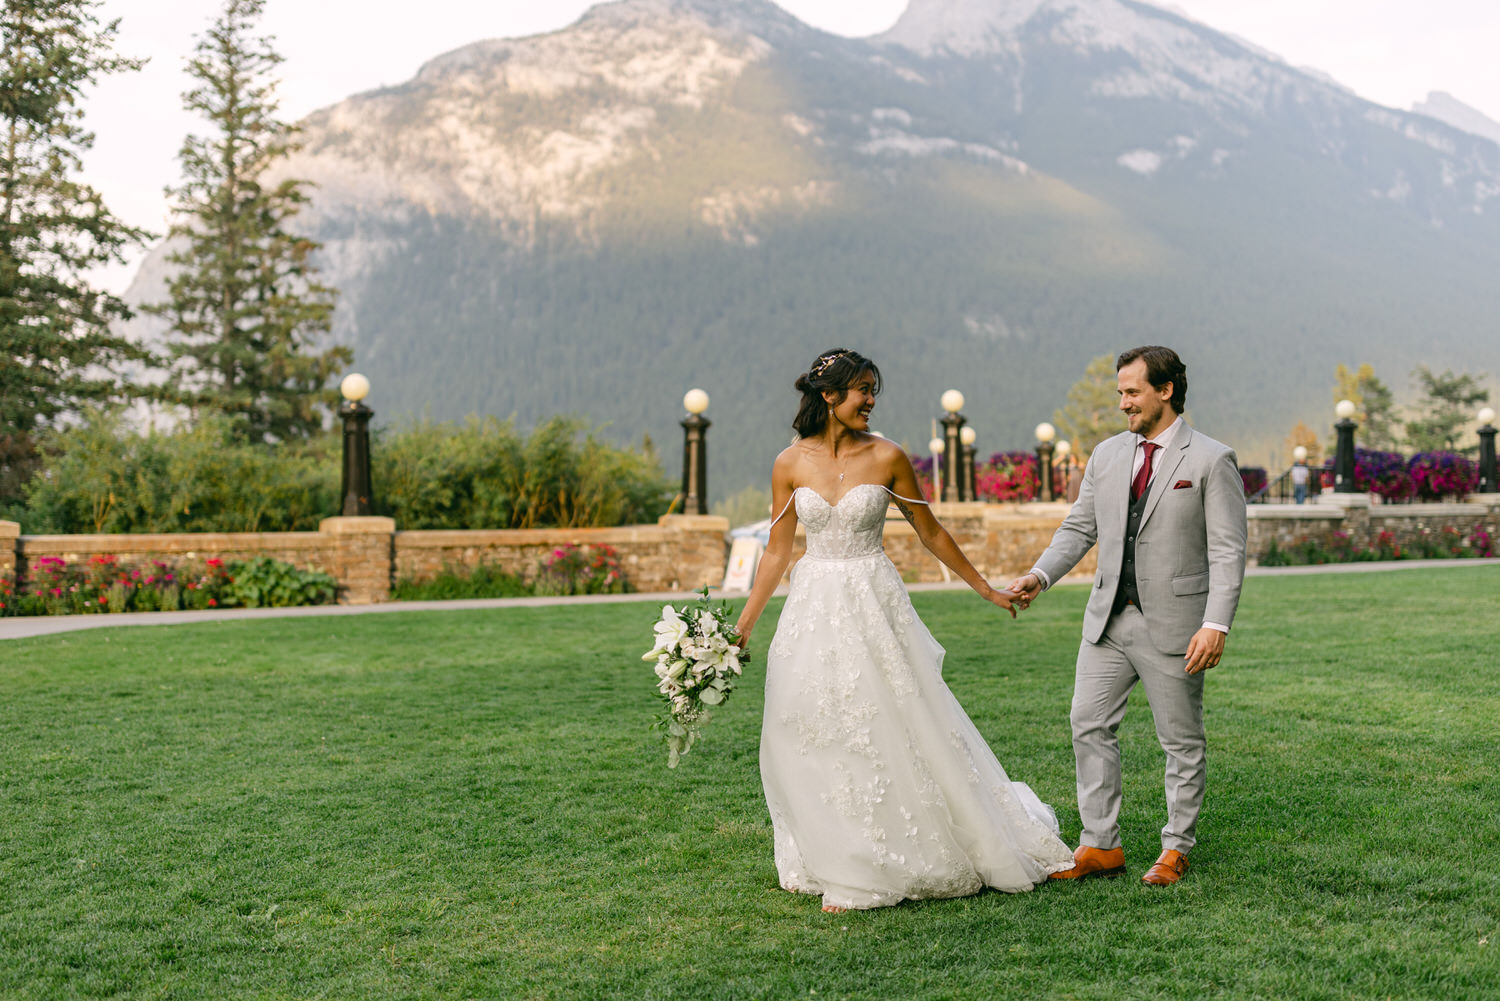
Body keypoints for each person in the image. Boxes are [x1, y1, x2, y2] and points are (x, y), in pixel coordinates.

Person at [733, 348, 1074, 912]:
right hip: (814, 603)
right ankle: (839, 853)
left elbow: (930, 532)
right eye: (861, 390)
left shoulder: (888, 456)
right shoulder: (788, 464)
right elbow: (775, 552)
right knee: (811, 723)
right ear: (829, 396)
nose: (870, 401)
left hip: (873, 600)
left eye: (874, 391)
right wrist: (743, 628)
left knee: (888, 718)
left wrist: (987, 589)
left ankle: (894, 852)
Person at [1008, 346, 1247, 887]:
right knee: (1087, 723)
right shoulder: (1108, 455)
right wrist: (1040, 576)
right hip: (1107, 623)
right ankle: (1100, 845)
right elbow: (1078, 528)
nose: (1123, 403)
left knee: (1180, 742)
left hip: (1177, 625)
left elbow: (1228, 550)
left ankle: (1176, 847)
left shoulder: (1212, 459)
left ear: (1165, 391)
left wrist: (1217, 623)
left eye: (1132, 392)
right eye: (1120, 393)